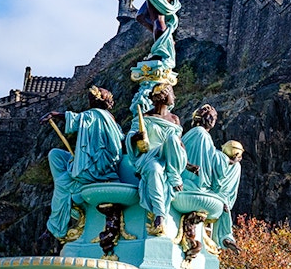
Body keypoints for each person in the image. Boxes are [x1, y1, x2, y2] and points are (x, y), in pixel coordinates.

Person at [42, 86, 123, 240]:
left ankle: (55, 228)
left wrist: (55, 114)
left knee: (62, 183)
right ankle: (70, 185)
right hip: (99, 164)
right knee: (56, 155)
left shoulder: (94, 114)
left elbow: (75, 119)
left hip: (96, 169)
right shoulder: (109, 118)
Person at [127, 82, 187, 236]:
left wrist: (189, 165)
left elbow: (180, 145)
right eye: (172, 93)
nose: (174, 97)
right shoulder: (146, 117)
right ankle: (160, 215)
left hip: (171, 158)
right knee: (154, 170)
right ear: (163, 96)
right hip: (150, 157)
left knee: (172, 139)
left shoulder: (174, 119)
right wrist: (135, 137)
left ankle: (173, 176)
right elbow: (129, 137)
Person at [212, 140, 244, 249]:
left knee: (224, 209)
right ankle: (225, 237)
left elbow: (231, 187)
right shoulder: (217, 156)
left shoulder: (236, 167)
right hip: (211, 191)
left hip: (220, 195)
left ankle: (225, 238)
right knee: (224, 209)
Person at [180, 104, 219, 192]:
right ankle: (201, 184)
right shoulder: (200, 132)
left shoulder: (201, 133)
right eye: (210, 116)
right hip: (193, 180)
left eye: (215, 117)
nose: (213, 120)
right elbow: (205, 157)